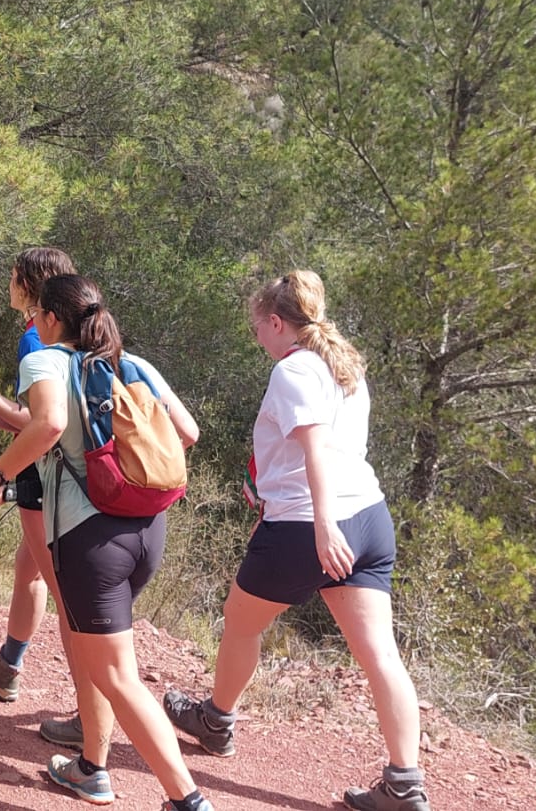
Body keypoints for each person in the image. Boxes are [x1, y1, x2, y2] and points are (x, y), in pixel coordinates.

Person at [159, 271, 429, 811]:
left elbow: (315, 450)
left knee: (240, 621)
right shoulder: (344, 366)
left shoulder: (294, 369)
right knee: (381, 654)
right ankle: (405, 785)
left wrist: (321, 524)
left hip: (312, 524)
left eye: (258, 326)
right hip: (370, 518)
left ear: (278, 322)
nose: (257, 336)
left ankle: (216, 721)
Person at [0, 275, 213, 810]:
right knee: (94, 655)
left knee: (118, 675)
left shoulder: (46, 361)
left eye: (38, 313)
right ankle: (90, 768)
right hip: (146, 530)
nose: (34, 321)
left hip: (89, 539)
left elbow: (48, 424)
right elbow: (188, 432)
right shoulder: (133, 364)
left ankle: (188, 801)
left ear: (52, 319)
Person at [0, 249, 81, 714]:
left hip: (44, 477)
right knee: (29, 568)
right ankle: (8, 664)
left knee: (68, 598)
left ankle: (88, 707)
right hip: (61, 473)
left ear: (29, 285)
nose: (7, 283)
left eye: (12, 276)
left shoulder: (35, 339)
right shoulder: (70, 335)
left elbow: (39, 422)